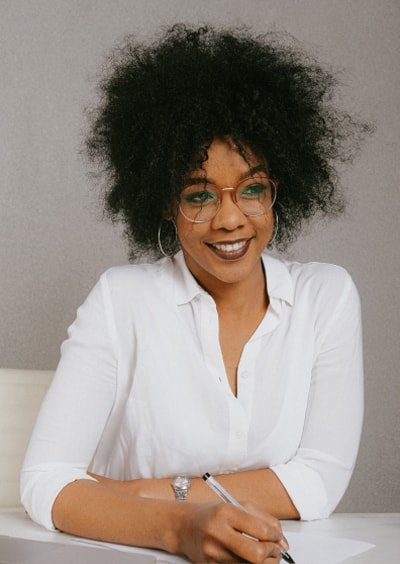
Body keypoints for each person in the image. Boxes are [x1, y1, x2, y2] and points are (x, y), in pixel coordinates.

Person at [20, 24, 368, 563]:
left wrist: (138, 493)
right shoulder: (121, 301)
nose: (230, 219)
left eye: (252, 189)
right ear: (164, 202)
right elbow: (46, 482)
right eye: (199, 195)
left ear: (277, 190)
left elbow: (318, 481)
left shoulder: (326, 297)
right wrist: (180, 528)